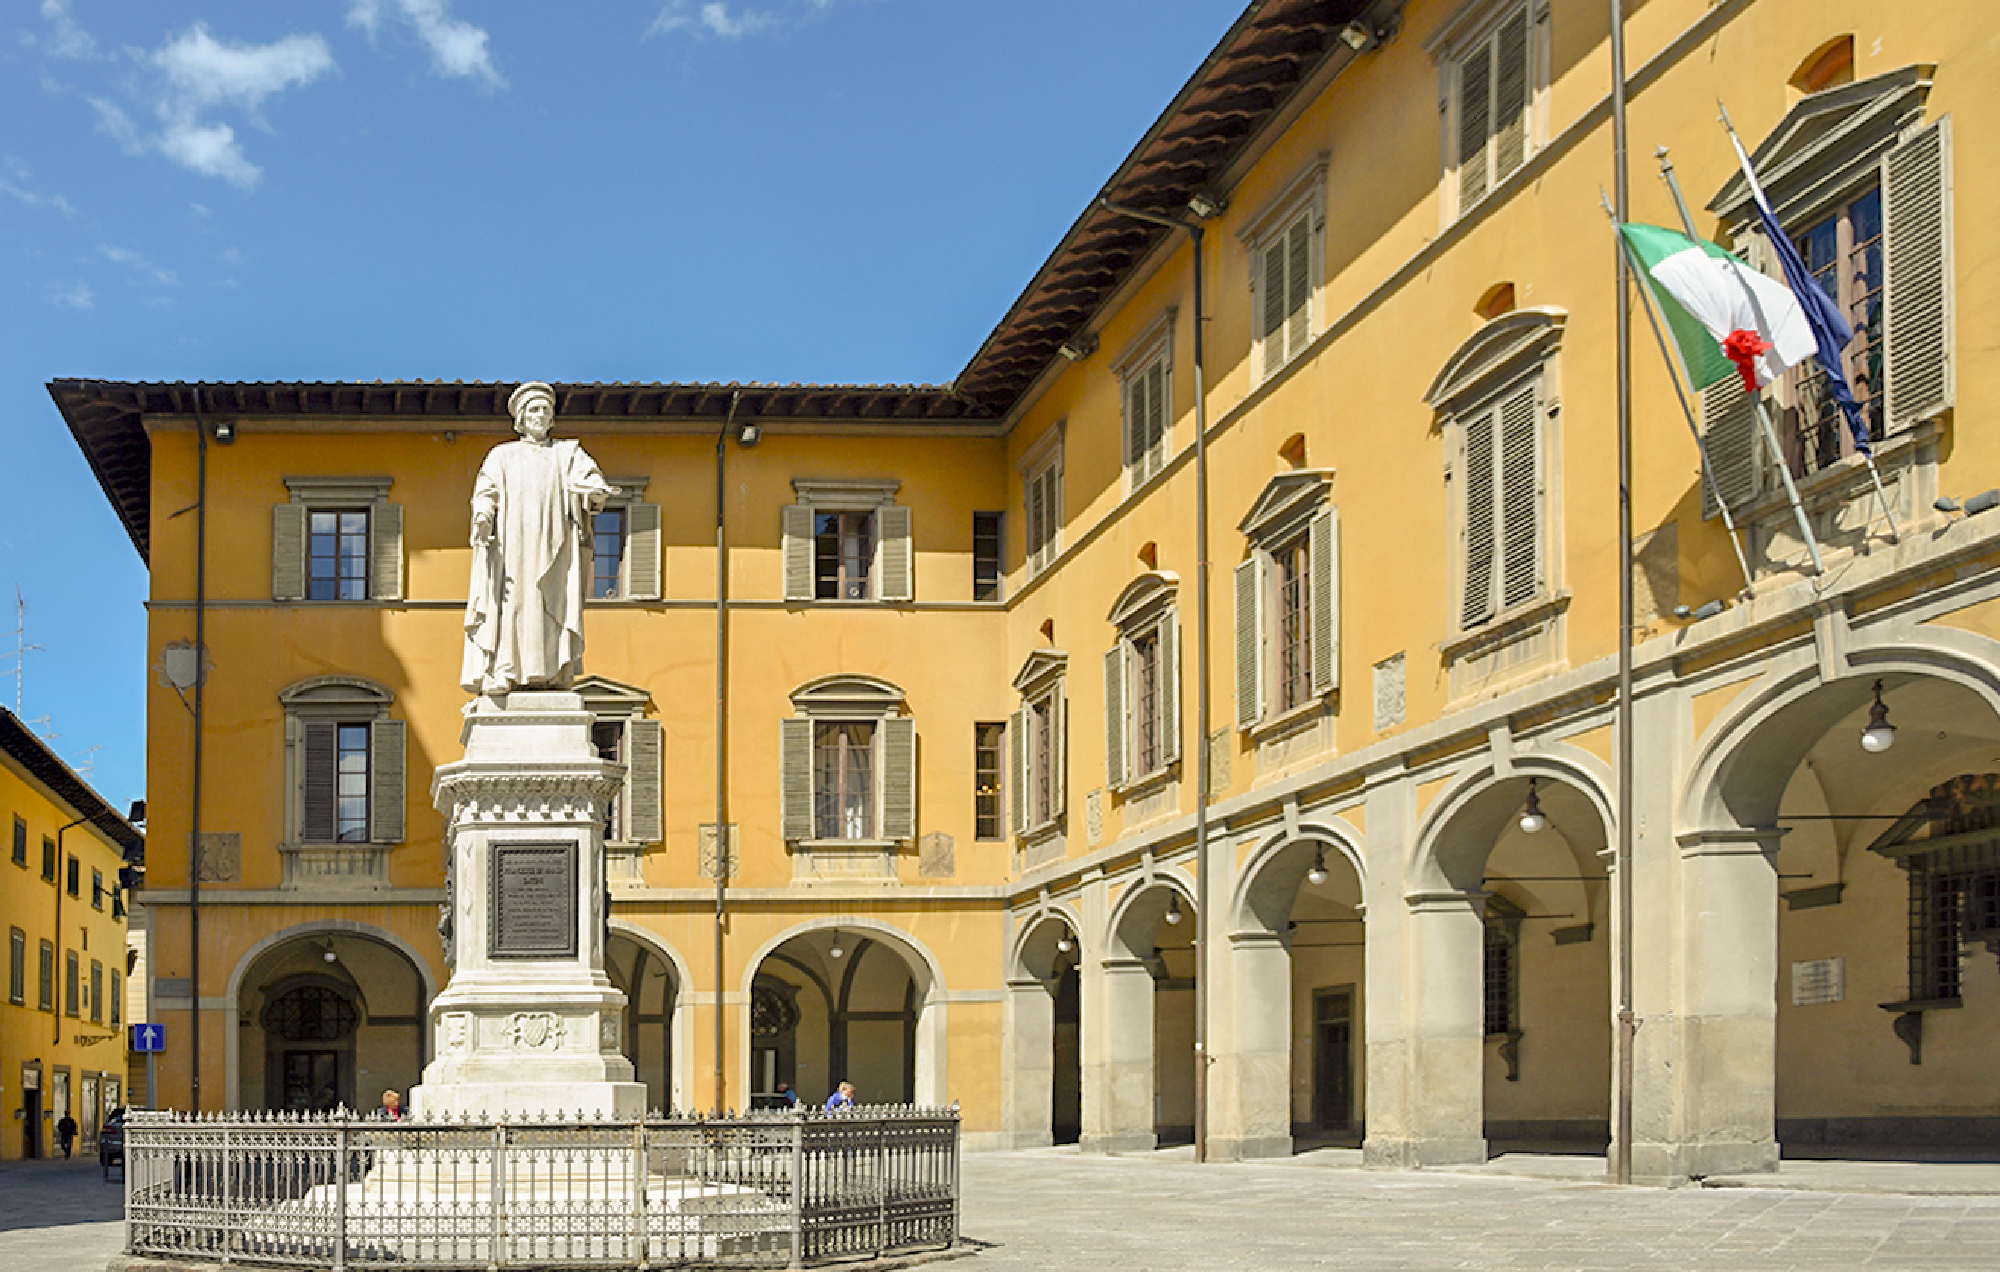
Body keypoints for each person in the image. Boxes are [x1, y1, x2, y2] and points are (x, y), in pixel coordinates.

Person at [461, 381, 618, 699]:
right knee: (514, 604)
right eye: (534, 409)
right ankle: (505, 670)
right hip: (513, 546)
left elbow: (593, 482)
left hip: (556, 546)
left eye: (546, 409)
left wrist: (595, 492)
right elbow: (485, 491)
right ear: (520, 417)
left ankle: (555, 672)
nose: (540, 415)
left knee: (552, 604)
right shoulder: (502, 455)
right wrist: (481, 517)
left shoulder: (568, 453)